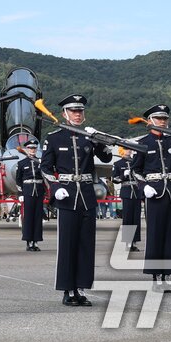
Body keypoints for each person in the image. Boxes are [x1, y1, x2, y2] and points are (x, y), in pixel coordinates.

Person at [40, 94, 112, 307]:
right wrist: (56, 187)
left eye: (80, 111)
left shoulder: (90, 137)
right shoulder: (54, 138)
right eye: (73, 111)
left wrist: (98, 140)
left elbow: (107, 158)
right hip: (67, 195)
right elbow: (45, 167)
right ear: (64, 114)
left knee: (85, 244)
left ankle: (80, 288)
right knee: (68, 244)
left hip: (87, 195)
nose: (77, 114)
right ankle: (67, 289)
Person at [129, 105, 171, 293]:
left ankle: (167, 276)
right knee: (155, 234)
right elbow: (135, 170)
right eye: (159, 118)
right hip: (154, 191)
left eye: (165, 119)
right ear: (150, 120)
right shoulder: (143, 143)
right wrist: (145, 187)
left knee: (170, 236)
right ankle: (155, 277)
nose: (162, 121)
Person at [14, 138, 45, 251]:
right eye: (30, 148)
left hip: (39, 191)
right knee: (28, 217)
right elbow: (18, 180)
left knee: (38, 217)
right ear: (26, 149)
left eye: (34, 148)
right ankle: (28, 241)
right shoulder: (22, 163)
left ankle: (35, 241)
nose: (32, 150)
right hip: (27, 191)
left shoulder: (41, 162)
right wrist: (20, 193)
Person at [112, 149, 141, 252]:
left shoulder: (136, 162)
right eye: (126, 149)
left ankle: (134, 242)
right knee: (128, 218)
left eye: (129, 149)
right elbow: (114, 179)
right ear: (121, 151)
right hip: (127, 192)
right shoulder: (118, 164)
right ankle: (128, 242)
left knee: (136, 218)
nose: (129, 150)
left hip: (137, 192)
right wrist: (123, 175)